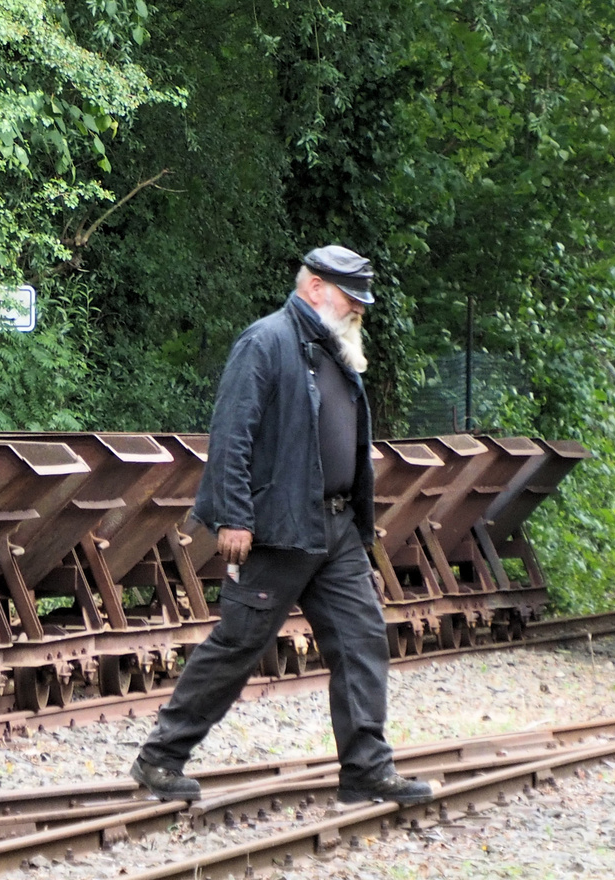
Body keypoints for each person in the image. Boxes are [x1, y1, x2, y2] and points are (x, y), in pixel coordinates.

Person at [129, 246, 433, 806]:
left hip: (336, 528)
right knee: (239, 644)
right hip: (280, 527)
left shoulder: (333, 348)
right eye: (349, 299)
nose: (357, 311)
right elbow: (232, 434)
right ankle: (160, 759)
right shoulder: (265, 342)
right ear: (316, 288)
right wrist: (234, 516)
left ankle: (366, 768)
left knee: (362, 638)